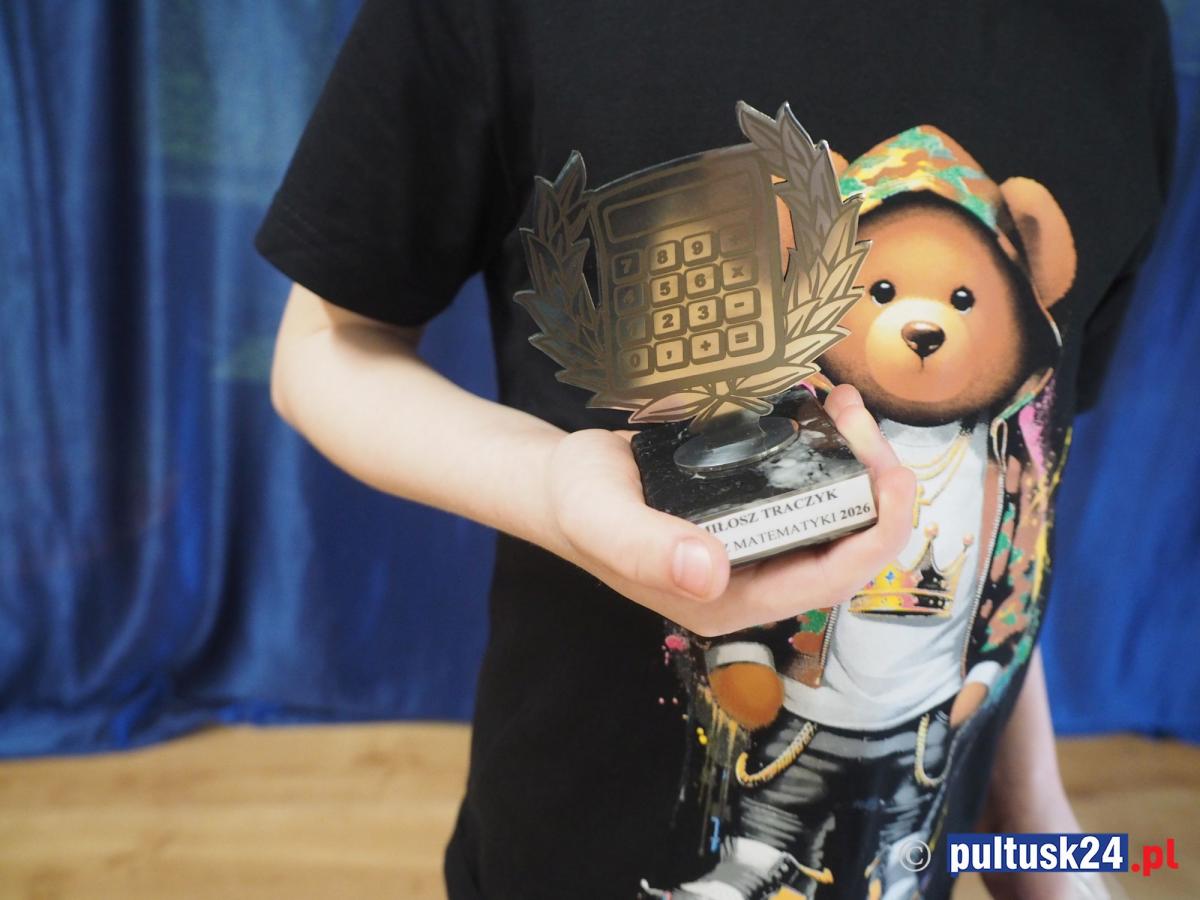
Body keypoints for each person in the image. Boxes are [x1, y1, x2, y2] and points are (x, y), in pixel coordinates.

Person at [255, 1, 1176, 897]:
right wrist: (550, 486)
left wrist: (1039, 822)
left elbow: (1020, 528)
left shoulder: (1116, 35)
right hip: (575, 845)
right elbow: (326, 348)